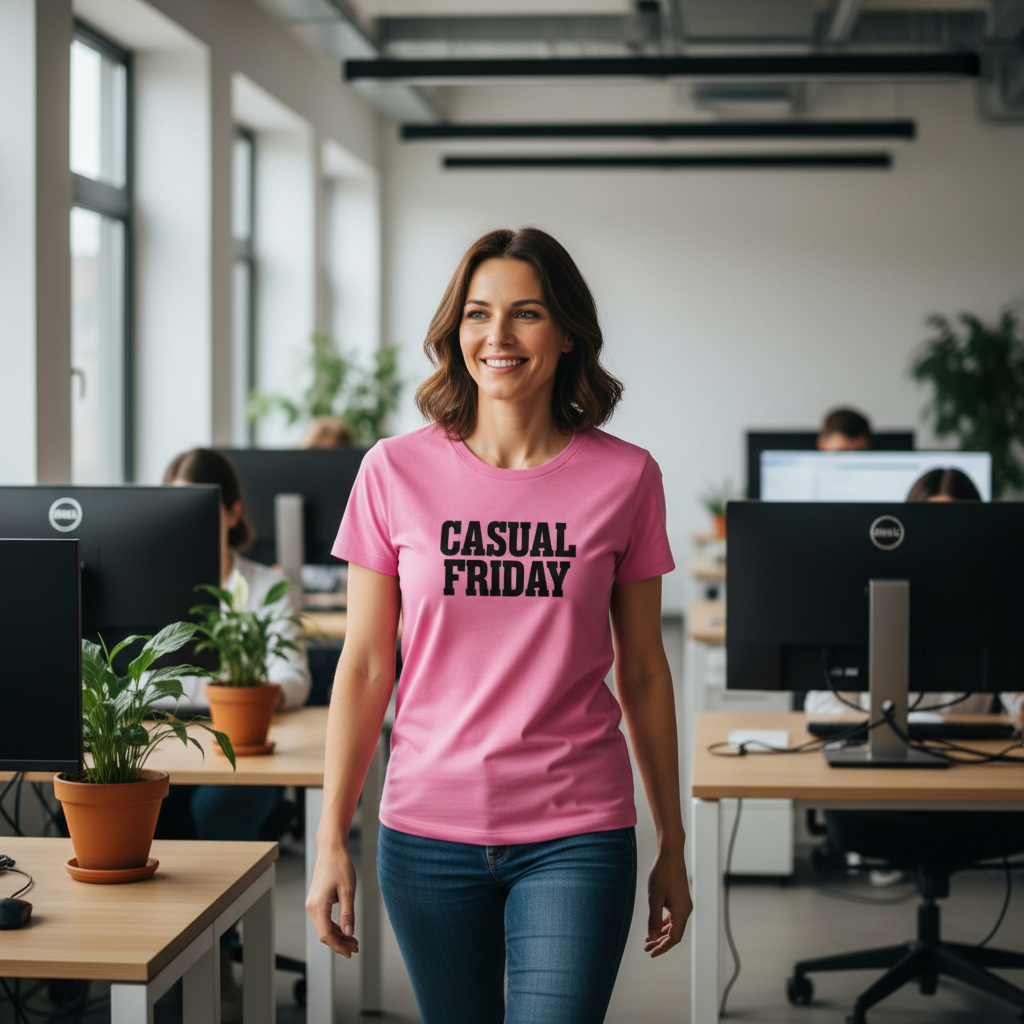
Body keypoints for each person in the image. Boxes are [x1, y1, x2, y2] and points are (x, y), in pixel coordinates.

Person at [306, 228, 692, 1024]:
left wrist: (673, 840)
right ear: (455, 332)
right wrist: (329, 837)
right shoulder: (391, 471)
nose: (499, 338)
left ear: (568, 333)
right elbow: (367, 666)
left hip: (575, 829)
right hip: (424, 833)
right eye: (479, 314)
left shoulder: (626, 478)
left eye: (527, 314)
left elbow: (645, 670)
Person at [161, 447, 311, 840]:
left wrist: (253, 698)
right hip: (164, 742)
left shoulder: (267, 587)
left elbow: (293, 677)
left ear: (232, 512)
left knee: (217, 809)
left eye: (200, 510)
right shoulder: (150, 587)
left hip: (239, 748)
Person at [805, 465, 1021, 722]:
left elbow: (1018, 698)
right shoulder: (871, 596)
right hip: (871, 748)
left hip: (963, 753)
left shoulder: (994, 601)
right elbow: (823, 705)